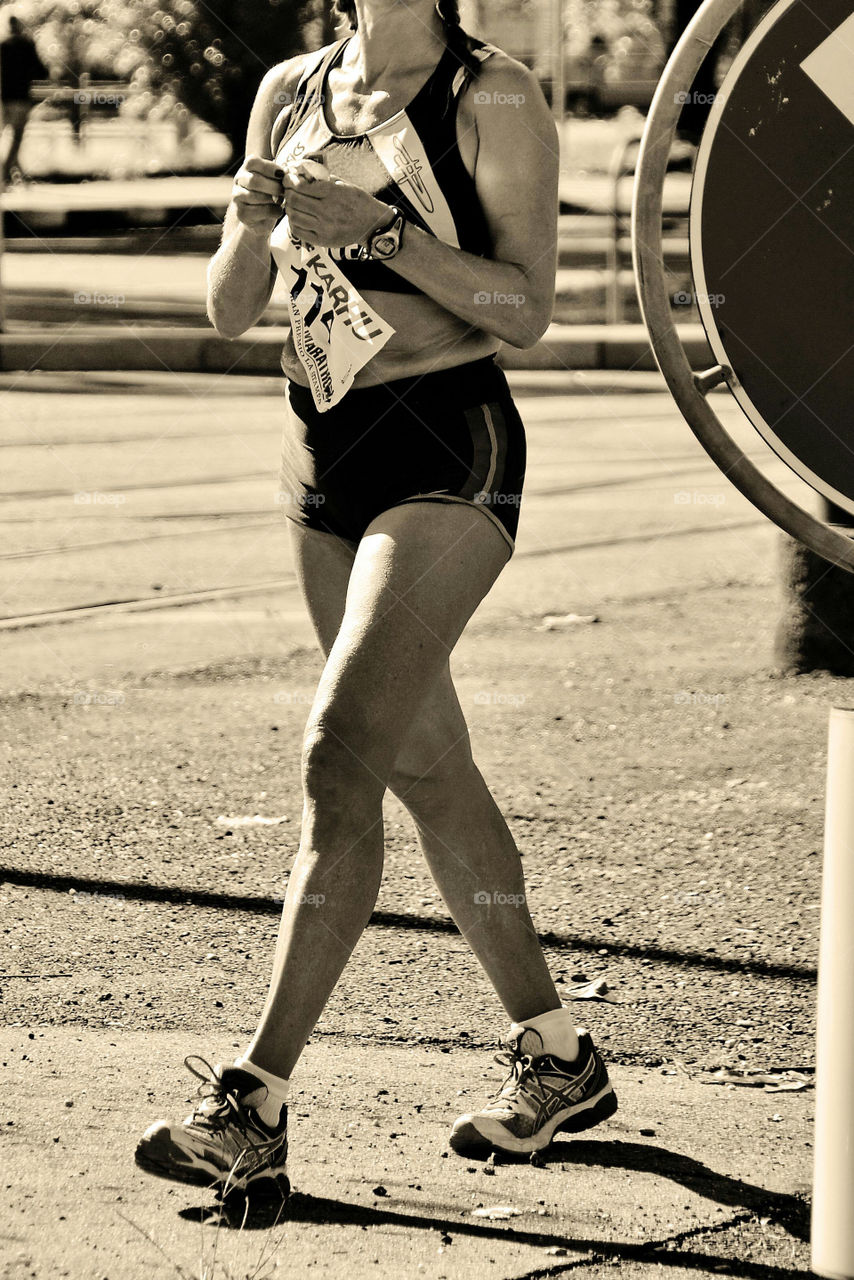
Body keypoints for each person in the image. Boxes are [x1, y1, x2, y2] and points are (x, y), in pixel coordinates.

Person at [135, 0, 617, 1200]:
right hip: (319, 460)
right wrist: (249, 229)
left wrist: (384, 233)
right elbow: (229, 308)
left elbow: (528, 308)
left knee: (336, 755)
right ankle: (558, 1055)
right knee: (427, 769)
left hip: (447, 450)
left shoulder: (492, 96)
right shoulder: (294, 89)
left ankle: (255, 1098)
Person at [1, 14, 47, 185]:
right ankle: (7, 172)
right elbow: (41, 71)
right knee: (17, 136)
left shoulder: (3, 46)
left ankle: (14, 173)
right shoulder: (27, 45)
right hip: (20, 97)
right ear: (19, 26)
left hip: (4, 98)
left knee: (7, 135)